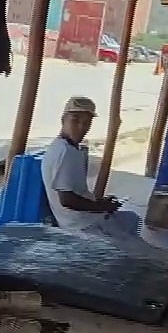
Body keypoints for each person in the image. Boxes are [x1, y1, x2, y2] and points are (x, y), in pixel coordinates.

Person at [41, 96, 141, 237]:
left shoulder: (69, 148)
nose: (81, 127)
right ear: (63, 120)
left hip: (85, 218)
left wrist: (99, 203)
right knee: (139, 246)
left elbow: (75, 192)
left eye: (87, 123)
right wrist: (101, 207)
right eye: (75, 121)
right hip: (82, 225)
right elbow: (67, 200)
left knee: (132, 219)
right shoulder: (64, 152)